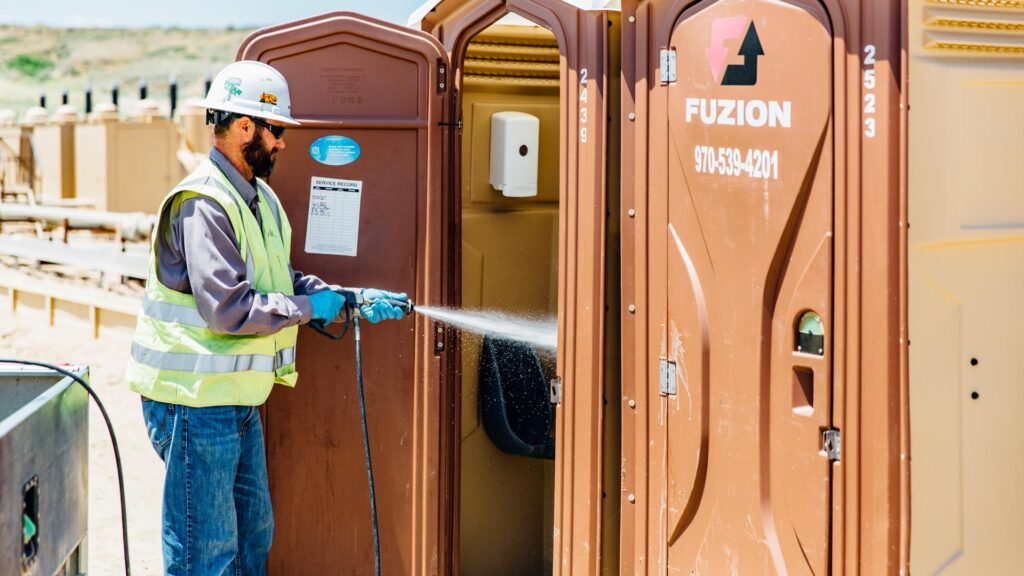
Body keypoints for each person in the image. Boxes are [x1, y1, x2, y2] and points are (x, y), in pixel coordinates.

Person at [124, 60, 407, 575]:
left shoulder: (260, 199)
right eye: (276, 130)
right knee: (204, 554)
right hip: (194, 404)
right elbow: (228, 309)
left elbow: (277, 278)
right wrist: (305, 310)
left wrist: (342, 296)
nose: (282, 143)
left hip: (236, 400)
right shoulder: (205, 203)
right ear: (244, 127)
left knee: (253, 538)